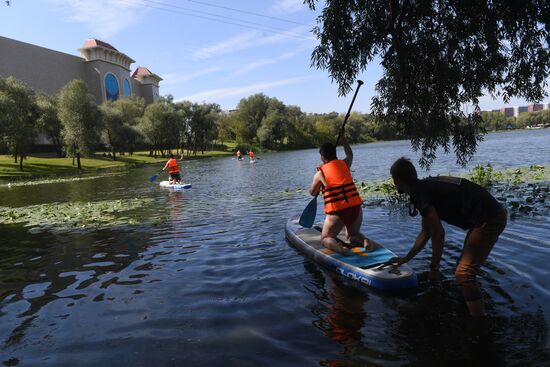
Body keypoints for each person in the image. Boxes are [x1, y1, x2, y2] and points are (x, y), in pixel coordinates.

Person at [389, 157, 507, 317]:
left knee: (464, 273)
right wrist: (406, 258)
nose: (394, 183)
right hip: (482, 218)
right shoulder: (424, 188)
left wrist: (434, 268)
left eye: (393, 179)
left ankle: (479, 324)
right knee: (462, 270)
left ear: (399, 180)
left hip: (489, 218)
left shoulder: (419, 192)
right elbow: (426, 232)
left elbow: (438, 232)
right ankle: (467, 309)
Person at [309, 128, 369, 255]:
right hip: (355, 209)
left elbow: (312, 193)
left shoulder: (320, 173)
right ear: (335, 154)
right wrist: (343, 138)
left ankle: (340, 249)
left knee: (325, 238)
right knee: (352, 236)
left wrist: (320, 182)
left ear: (322, 157)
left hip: (338, 211)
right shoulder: (344, 164)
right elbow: (350, 155)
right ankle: (364, 241)